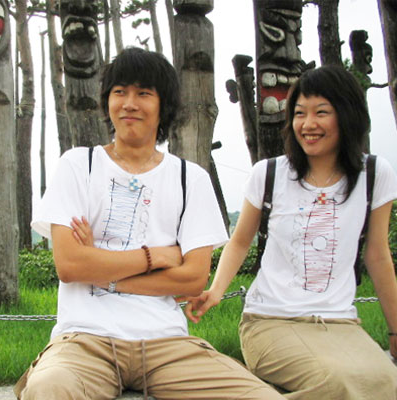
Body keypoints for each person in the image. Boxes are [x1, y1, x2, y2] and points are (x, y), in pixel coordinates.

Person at [14, 47, 284, 400]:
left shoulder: (190, 179)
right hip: (84, 340)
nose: (129, 104)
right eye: (119, 92)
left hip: (167, 342)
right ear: (107, 101)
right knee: (49, 388)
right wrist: (156, 257)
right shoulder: (79, 166)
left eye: (143, 93)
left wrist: (102, 267)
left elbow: (193, 278)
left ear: (163, 105)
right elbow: (70, 266)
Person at [182, 65, 397, 399]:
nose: (307, 124)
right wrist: (215, 290)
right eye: (299, 113)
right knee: (339, 384)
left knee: (388, 384)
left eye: (321, 112)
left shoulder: (374, 174)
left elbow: (377, 254)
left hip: (340, 323)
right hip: (269, 322)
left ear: (348, 115)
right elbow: (240, 242)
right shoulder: (269, 174)